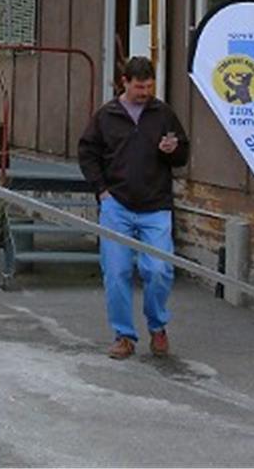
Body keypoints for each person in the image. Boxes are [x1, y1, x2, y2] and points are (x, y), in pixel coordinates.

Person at [77, 56, 190, 361]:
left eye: (150, 86)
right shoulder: (106, 116)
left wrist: (173, 150)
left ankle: (157, 327)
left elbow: (182, 154)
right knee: (116, 272)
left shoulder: (163, 113)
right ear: (124, 82)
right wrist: (101, 190)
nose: (145, 93)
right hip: (117, 206)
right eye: (139, 87)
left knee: (159, 270)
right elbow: (87, 153)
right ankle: (124, 336)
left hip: (156, 206)